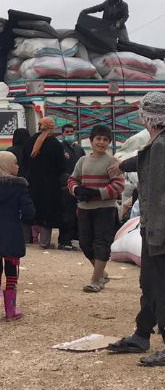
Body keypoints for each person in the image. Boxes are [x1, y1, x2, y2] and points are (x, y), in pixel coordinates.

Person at [106, 92, 165, 366]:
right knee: (150, 284)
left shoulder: (162, 145)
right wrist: (122, 165)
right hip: (154, 228)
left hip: (160, 230)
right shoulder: (157, 144)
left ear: (149, 117)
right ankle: (142, 334)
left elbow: (156, 194)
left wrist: (155, 231)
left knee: (159, 287)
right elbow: (144, 158)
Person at [0, 152, 36, 322]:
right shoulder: (19, 187)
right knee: (11, 271)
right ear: (6, 165)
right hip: (12, 231)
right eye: (15, 163)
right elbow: (29, 212)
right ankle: (11, 310)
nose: (17, 166)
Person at [67, 125, 124, 293]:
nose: (101, 142)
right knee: (85, 243)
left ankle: (95, 279)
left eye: (105, 140)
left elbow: (119, 185)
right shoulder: (82, 161)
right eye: (98, 139)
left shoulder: (112, 162)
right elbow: (72, 179)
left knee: (101, 242)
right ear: (91, 141)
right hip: (84, 208)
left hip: (105, 209)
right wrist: (76, 190)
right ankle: (102, 273)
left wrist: (98, 193)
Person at [22, 117, 65, 249]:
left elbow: (24, 163)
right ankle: (44, 242)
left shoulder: (29, 142)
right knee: (47, 212)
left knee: (28, 211)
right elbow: (61, 167)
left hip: (31, 182)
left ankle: (24, 240)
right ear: (52, 127)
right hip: (49, 185)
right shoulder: (56, 145)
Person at [59, 124, 86, 251]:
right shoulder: (60, 148)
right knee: (66, 215)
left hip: (78, 185)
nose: (70, 134)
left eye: (72, 132)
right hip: (65, 187)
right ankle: (64, 240)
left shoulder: (79, 149)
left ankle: (74, 238)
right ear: (63, 134)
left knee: (77, 215)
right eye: (67, 132)